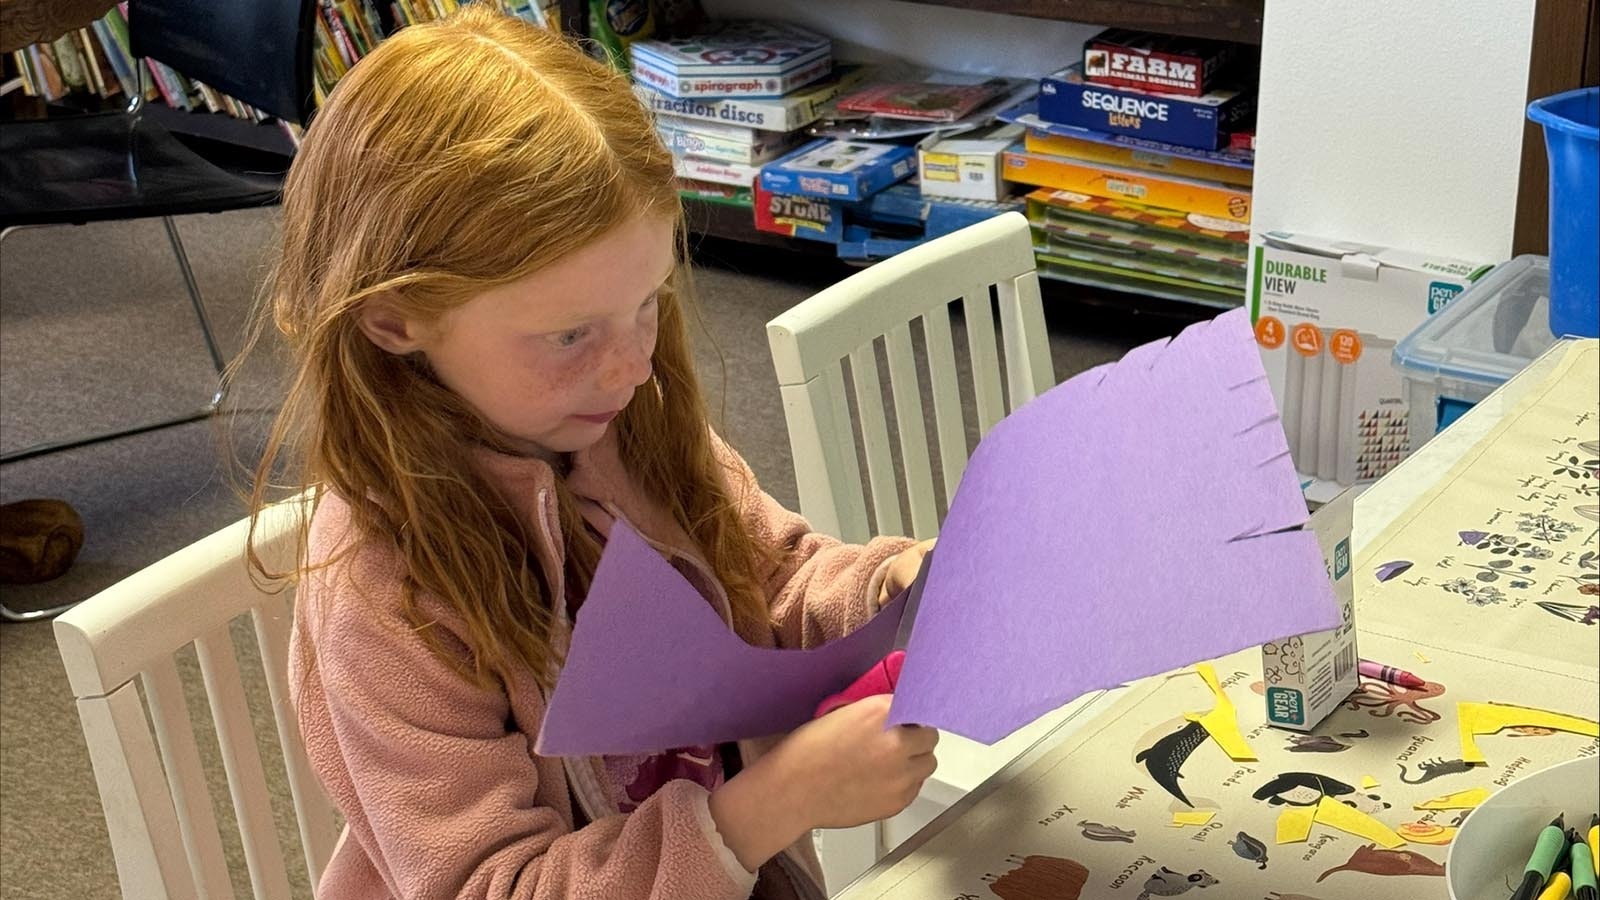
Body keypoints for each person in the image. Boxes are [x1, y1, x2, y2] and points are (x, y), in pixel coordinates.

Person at [235, 8, 937, 899]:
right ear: (396, 319)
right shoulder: (383, 586)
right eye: (570, 333)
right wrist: (770, 804)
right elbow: (487, 885)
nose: (634, 364)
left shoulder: (613, 420)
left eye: (647, 302)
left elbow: (776, 580)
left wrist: (895, 592)